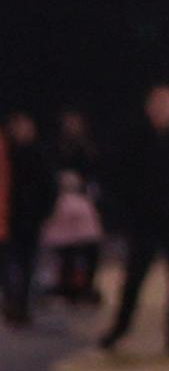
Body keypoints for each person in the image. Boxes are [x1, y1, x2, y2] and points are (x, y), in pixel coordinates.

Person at [99, 85, 169, 353]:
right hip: (144, 221)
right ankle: (120, 327)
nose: (161, 110)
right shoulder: (135, 141)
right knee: (134, 278)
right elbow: (116, 177)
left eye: (167, 105)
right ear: (148, 108)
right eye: (157, 104)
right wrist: (127, 211)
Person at [41, 116, 103, 308]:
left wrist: (83, 184)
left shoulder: (88, 149)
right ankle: (66, 287)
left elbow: (97, 172)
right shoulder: (54, 149)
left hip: (84, 204)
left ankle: (85, 285)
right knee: (65, 250)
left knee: (89, 248)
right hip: (61, 205)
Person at [0, 111, 38, 327]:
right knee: (10, 266)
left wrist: (38, 214)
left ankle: (20, 306)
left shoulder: (34, 154)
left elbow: (46, 188)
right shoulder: (9, 152)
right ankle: (13, 305)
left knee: (25, 266)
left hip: (26, 221)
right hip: (9, 220)